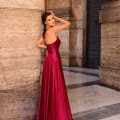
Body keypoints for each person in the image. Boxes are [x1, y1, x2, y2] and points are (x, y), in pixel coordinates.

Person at [36, 11, 73, 120]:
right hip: (54, 60)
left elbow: (37, 43)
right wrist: (57, 16)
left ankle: (51, 114)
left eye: (53, 18)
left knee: (50, 85)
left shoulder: (45, 32)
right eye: (50, 19)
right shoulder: (52, 30)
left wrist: (47, 48)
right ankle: (58, 115)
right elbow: (68, 23)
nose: (52, 21)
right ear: (45, 22)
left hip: (49, 60)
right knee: (56, 86)